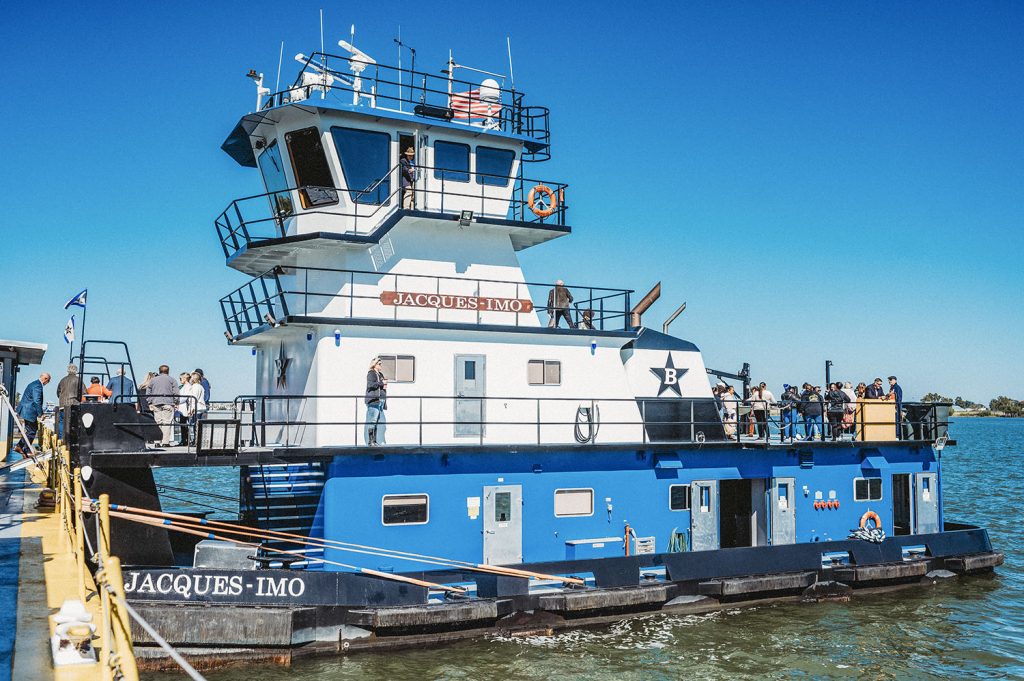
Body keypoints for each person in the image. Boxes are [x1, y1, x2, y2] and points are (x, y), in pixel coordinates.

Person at [14, 373, 49, 455]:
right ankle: (26, 450)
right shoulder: (38, 386)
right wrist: (41, 414)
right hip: (29, 411)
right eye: (48, 381)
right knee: (32, 431)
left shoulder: (34, 383)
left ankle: (19, 446)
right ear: (45, 379)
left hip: (26, 410)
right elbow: (37, 401)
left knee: (30, 430)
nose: (47, 383)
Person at [146, 365, 178, 446]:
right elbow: (176, 392)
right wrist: (176, 402)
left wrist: (150, 402)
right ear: (168, 371)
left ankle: (157, 442)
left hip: (156, 403)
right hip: (168, 403)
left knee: (158, 422)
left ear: (159, 371)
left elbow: (148, 392)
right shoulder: (172, 380)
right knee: (167, 423)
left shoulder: (153, 380)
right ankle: (165, 442)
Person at [365, 357, 387, 445]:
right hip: (374, 400)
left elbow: (382, 386)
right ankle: (371, 441)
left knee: (378, 421)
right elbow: (370, 385)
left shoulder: (380, 374)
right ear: (375, 364)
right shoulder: (371, 373)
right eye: (379, 364)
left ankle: (375, 441)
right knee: (372, 421)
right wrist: (381, 383)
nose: (381, 365)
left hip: (381, 401)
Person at [56, 364, 82, 438]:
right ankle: (71, 439)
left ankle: (61, 439)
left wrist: (62, 399)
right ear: (76, 371)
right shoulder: (78, 380)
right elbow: (84, 392)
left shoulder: (62, 380)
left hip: (62, 405)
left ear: (68, 370)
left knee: (62, 422)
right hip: (73, 405)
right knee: (73, 422)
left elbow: (58, 392)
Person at [185, 372, 208, 445]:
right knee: (199, 426)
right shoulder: (200, 386)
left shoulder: (195, 387)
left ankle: (196, 441)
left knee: (195, 426)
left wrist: (190, 409)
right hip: (202, 408)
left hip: (196, 408)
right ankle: (199, 441)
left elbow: (194, 399)